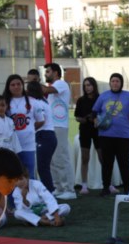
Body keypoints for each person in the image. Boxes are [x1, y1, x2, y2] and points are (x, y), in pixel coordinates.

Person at [91, 72, 129, 196]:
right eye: (113, 81)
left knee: (124, 163)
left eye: (117, 81)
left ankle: (128, 189)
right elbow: (94, 111)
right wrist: (95, 120)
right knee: (107, 163)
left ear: (121, 83)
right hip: (106, 135)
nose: (115, 83)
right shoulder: (103, 96)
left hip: (124, 136)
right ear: (110, 83)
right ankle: (105, 188)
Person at [42, 63, 76, 200]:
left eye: (48, 71)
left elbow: (46, 90)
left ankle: (69, 189)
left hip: (60, 126)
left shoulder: (61, 84)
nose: (46, 74)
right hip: (51, 126)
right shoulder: (53, 87)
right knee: (53, 159)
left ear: (56, 73)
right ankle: (59, 187)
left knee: (61, 156)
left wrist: (33, 84)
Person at [4, 74, 37, 181]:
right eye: (13, 85)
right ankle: (12, 197)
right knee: (12, 174)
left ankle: (30, 197)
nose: (16, 87)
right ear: (8, 87)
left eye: (18, 84)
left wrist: (29, 130)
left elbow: (40, 120)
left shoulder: (32, 101)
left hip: (29, 144)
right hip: (11, 145)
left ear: (23, 85)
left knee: (29, 174)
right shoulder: (4, 101)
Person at [74, 77, 102, 195]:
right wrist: (84, 119)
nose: (87, 87)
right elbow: (77, 117)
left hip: (98, 131)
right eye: (85, 85)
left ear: (94, 86)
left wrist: (97, 119)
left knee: (103, 158)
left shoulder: (101, 99)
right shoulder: (81, 100)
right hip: (85, 131)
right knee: (85, 158)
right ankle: (84, 185)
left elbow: (105, 114)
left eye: (89, 85)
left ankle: (108, 184)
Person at [28, 80, 57, 193]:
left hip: (44, 136)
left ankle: (50, 192)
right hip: (48, 135)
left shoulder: (37, 103)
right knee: (43, 167)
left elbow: (41, 121)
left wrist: (28, 130)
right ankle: (48, 192)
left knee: (42, 168)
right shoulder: (43, 102)